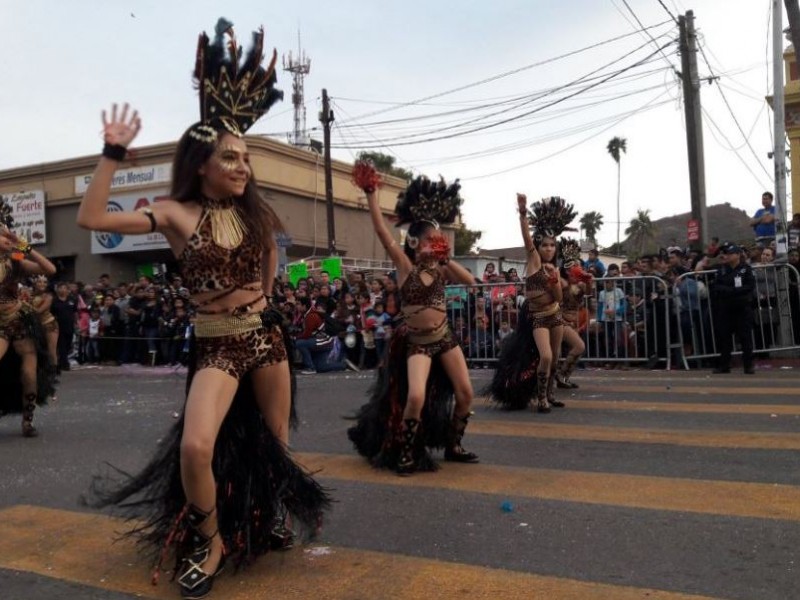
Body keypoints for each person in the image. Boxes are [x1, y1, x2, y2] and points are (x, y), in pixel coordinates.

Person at [78, 20, 329, 599]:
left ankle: (263, 517)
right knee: (196, 447)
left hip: (265, 340)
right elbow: (92, 219)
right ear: (201, 164)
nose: (243, 167)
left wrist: (269, 300)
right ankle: (210, 539)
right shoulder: (173, 213)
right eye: (231, 158)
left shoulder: (251, 212)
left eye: (245, 157)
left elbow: (269, 247)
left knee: (274, 445)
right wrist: (112, 154)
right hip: (216, 343)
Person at [348, 164, 479, 475]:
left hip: (444, 337)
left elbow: (471, 283)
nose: (435, 243)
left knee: (465, 393)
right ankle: (406, 450)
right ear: (415, 243)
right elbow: (382, 232)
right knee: (416, 396)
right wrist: (371, 195)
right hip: (417, 343)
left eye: (439, 239)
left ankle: (454, 444)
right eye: (430, 240)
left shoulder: (442, 268)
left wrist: (448, 259)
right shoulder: (405, 266)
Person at [487, 195, 576, 411]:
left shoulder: (553, 269)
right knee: (544, 356)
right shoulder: (534, 260)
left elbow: (559, 299)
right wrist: (523, 213)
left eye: (552, 245)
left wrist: (554, 281)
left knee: (554, 358)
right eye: (545, 245)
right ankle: (540, 398)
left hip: (554, 314)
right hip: (537, 317)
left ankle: (549, 394)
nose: (549, 248)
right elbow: (527, 237)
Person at [0, 203, 58, 437]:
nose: (6, 237)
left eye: (6, 234)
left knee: (29, 375)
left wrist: (23, 245)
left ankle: (28, 420)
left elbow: (50, 269)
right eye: (2, 235)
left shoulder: (16, 262)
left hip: (20, 320)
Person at [710, 243, 755, 374]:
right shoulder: (722, 270)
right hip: (726, 308)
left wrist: (734, 291)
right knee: (725, 338)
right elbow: (716, 286)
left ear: (738, 255)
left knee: (745, 337)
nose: (727, 256)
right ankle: (724, 365)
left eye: (730, 254)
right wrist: (731, 290)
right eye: (727, 254)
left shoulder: (745, 269)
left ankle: (748, 365)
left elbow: (749, 286)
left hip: (742, 308)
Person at [555, 239, 591, 390]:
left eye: (578, 265)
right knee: (578, 346)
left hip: (572, 322)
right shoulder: (562, 282)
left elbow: (589, 292)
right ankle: (559, 376)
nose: (577, 268)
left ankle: (562, 377)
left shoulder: (581, 284)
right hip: (559, 321)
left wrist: (589, 280)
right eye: (573, 266)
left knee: (573, 350)